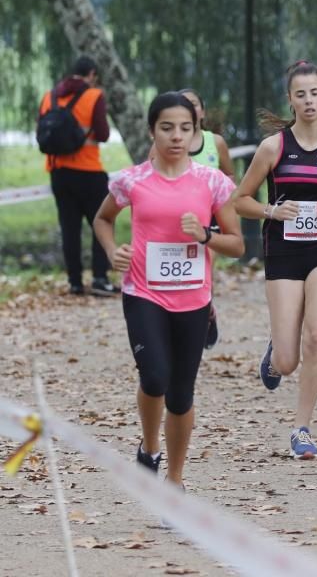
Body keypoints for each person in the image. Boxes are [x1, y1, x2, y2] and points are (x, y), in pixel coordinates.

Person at [92, 92, 244, 487]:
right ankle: (149, 446)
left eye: (185, 128)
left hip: (193, 299)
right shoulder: (133, 179)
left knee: (180, 395)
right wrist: (112, 251)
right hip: (144, 294)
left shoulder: (212, 182)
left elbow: (238, 244)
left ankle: (173, 482)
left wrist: (207, 235)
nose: (176, 136)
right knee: (155, 377)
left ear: (196, 133)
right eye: (167, 128)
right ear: (151, 131)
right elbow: (103, 219)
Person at [233, 60, 317, 460]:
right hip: (285, 252)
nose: (309, 100)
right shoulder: (274, 147)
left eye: (315, 92)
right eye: (300, 94)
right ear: (290, 100)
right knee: (288, 360)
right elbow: (240, 201)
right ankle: (276, 351)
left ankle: (302, 429)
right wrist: (272, 211)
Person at [38, 56, 118, 296]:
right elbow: (103, 134)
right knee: (100, 222)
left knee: (69, 227)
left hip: (58, 172)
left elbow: (40, 132)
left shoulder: (48, 96)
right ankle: (100, 278)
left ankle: (74, 282)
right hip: (88, 171)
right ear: (92, 74)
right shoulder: (94, 96)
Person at [179, 88, 235, 349]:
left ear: (201, 111)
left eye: (194, 104)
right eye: (184, 104)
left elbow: (229, 178)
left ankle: (205, 313)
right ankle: (189, 318)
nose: (190, 109)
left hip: (208, 220)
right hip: (175, 220)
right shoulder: (166, 143)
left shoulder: (216, 143)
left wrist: (226, 213)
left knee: (203, 273)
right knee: (180, 277)